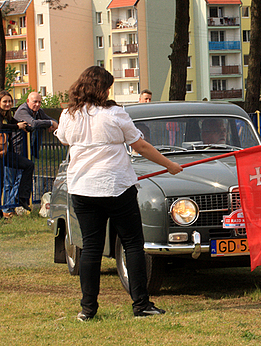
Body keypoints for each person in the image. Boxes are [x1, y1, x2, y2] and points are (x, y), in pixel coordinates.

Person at [55, 66, 183, 321]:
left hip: (82, 189)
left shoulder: (69, 115)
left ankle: (88, 310)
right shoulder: (115, 113)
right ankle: (141, 305)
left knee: (90, 248)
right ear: (101, 88)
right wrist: (169, 165)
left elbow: (63, 139)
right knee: (133, 244)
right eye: (107, 87)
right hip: (116, 188)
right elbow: (141, 145)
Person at [0, 90, 34, 217]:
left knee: (28, 165)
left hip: (4, 153)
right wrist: (17, 127)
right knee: (1, 184)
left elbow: (15, 123)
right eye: (5, 101)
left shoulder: (8, 116)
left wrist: (25, 126)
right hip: (1, 154)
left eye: (9, 101)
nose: (8, 104)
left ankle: (22, 198)